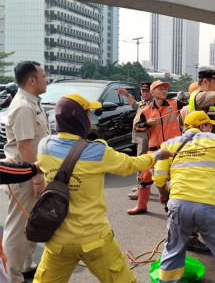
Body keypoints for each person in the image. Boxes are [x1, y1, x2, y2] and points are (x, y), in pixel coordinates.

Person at [34, 93, 172, 282]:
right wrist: (157, 156)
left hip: (58, 239)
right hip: (94, 238)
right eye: (88, 113)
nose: (90, 118)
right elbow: (130, 164)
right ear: (80, 118)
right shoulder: (96, 150)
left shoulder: (44, 146)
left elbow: (39, 167)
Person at [154, 111, 215, 283]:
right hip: (210, 206)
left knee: (172, 250)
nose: (211, 129)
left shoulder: (169, 143)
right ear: (202, 126)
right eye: (209, 125)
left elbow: (159, 177)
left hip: (178, 205)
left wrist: (163, 195)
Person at [2, 61, 50, 283]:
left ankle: (24, 265)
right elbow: (24, 147)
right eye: (43, 75)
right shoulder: (23, 106)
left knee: (31, 222)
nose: (46, 78)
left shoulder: (32, 103)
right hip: (24, 176)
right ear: (32, 80)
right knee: (17, 227)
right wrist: (37, 178)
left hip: (31, 174)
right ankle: (11, 276)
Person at [130, 80, 183, 215]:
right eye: (160, 89)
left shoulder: (175, 104)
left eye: (165, 89)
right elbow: (137, 127)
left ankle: (172, 208)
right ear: (152, 92)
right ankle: (141, 206)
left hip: (173, 149)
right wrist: (147, 123)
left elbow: (192, 106)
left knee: (176, 179)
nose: (164, 91)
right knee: (145, 176)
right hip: (155, 149)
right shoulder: (145, 110)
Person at [0, 160, 40, 283]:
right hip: (24, 178)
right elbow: (7, 171)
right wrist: (36, 168)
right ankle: (13, 277)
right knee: (16, 230)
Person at [117, 82, 153, 201]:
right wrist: (127, 95)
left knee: (141, 162)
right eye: (143, 90)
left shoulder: (153, 104)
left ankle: (141, 187)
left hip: (145, 137)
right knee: (142, 161)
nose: (144, 92)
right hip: (139, 136)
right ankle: (143, 185)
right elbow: (134, 105)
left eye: (147, 90)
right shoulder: (143, 102)